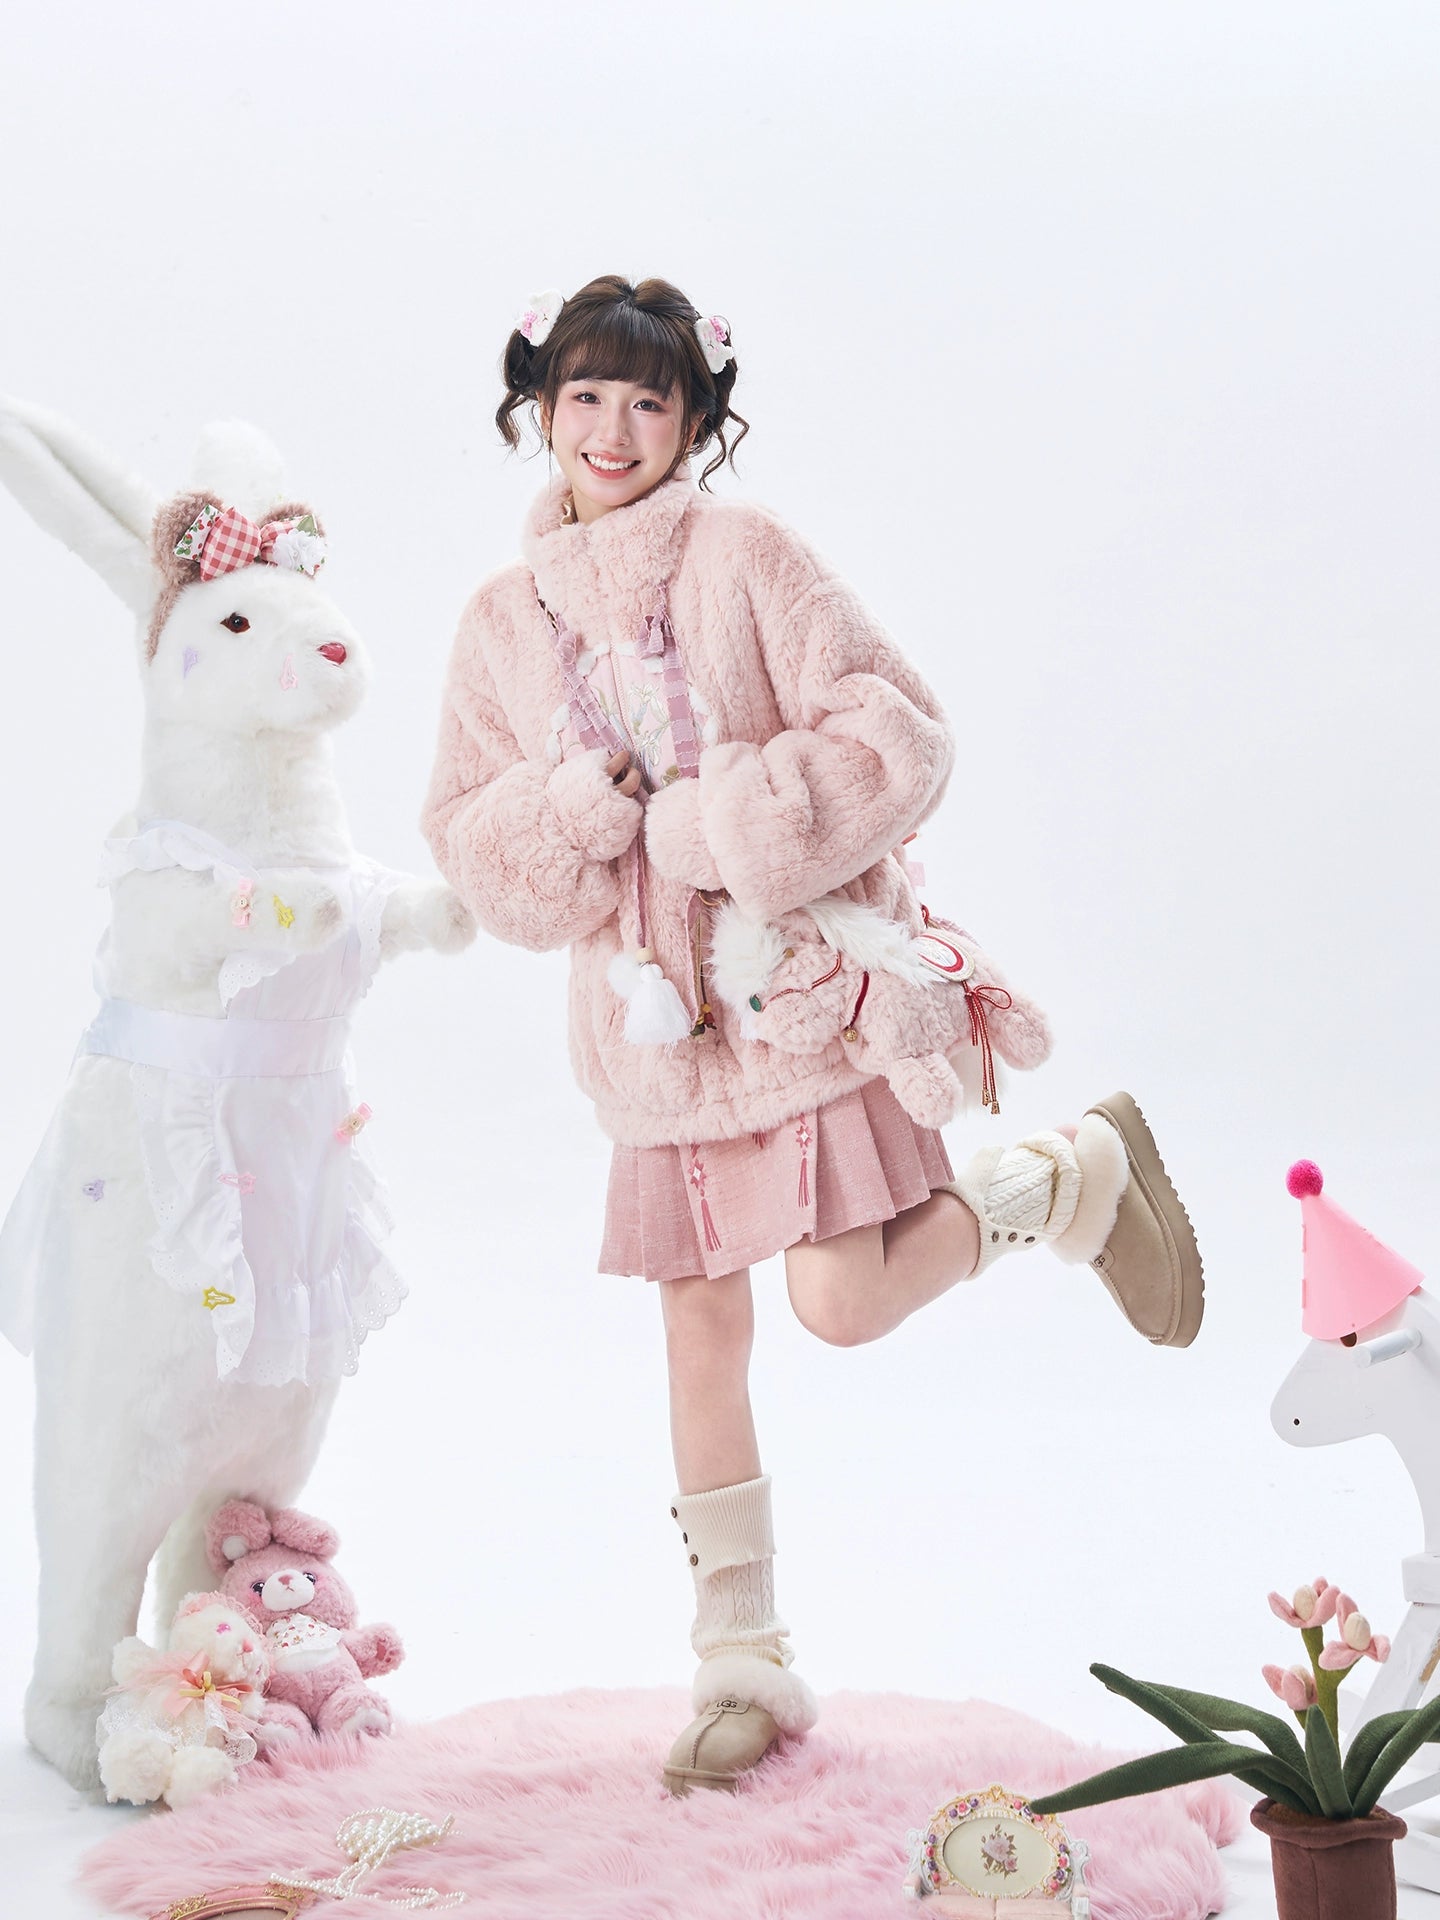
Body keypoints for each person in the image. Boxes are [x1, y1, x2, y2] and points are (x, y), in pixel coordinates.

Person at [422, 274, 1203, 1797]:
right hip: (654, 1049)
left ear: (695, 422)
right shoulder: (499, 624)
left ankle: (1065, 1177)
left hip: (800, 1000)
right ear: (540, 408)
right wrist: (576, 813)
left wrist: (726, 822)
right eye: (585, 396)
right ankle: (740, 1662)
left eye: (649, 401)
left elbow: (897, 728)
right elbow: (468, 840)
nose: (612, 429)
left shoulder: (747, 556)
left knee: (841, 1304)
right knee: (699, 1331)